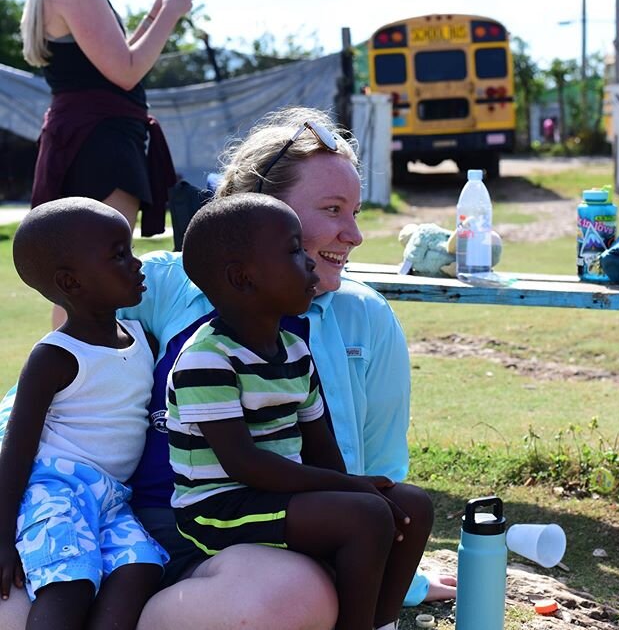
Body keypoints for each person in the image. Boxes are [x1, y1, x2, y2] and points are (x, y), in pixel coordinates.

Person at [0, 106, 455, 630]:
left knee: (290, 598)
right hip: (132, 519)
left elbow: (376, 469)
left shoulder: (363, 317)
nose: (353, 234)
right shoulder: (167, 285)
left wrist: (402, 573)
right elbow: (68, 364)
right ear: (260, 211)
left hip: (254, 549)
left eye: (354, 211)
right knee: (16, 608)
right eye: (332, 209)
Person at [168, 193, 432, 630]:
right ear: (242, 278)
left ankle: (382, 623)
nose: (309, 262)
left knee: (411, 505)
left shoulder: (294, 350)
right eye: (293, 250)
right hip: (218, 510)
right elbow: (246, 465)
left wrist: (355, 487)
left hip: (277, 495)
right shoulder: (207, 359)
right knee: (365, 514)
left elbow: (322, 448)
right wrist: (352, 490)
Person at [0, 198, 168, 629]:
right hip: (54, 490)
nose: (135, 264)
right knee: (70, 584)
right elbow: (16, 452)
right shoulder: (55, 356)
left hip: (112, 497)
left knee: (141, 568)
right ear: (70, 282)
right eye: (118, 256)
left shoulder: (140, 335)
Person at [21, 0, 192, 327]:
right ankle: (78, 372)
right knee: (95, 271)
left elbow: (117, 58)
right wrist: (172, 13)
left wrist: (154, 17)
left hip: (91, 136)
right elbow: (126, 72)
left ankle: (75, 371)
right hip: (99, 140)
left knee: (85, 271)